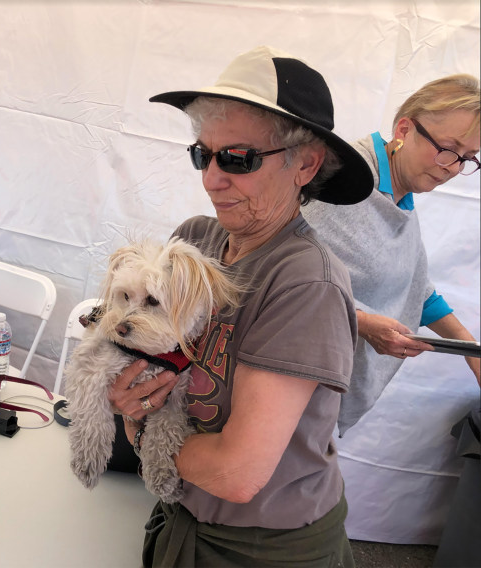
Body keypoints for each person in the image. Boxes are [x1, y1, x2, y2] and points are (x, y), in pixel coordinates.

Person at [105, 46, 374, 567]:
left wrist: (138, 426)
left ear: (307, 164)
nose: (210, 178)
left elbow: (237, 472)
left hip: (259, 552)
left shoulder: (304, 281)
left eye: (238, 158)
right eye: (202, 154)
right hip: (180, 514)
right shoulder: (195, 241)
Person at [303, 74, 481, 435]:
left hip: (321, 390)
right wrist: (365, 325)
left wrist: (472, 353)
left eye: (468, 158)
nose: (452, 168)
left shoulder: (400, 197)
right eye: (448, 148)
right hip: (288, 376)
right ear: (404, 129)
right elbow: (280, 281)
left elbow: (415, 289)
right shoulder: (345, 180)